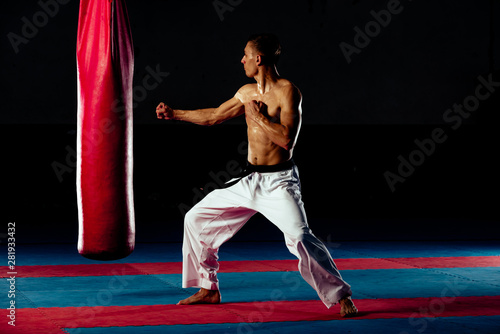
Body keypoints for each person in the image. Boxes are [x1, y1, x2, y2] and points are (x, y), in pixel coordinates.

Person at [156, 33, 358, 317]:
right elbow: (214, 115)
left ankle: (341, 296)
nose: (242, 60)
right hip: (249, 179)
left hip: (279, 182)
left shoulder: (289, 92)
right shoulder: (246, 92)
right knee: (195, 219)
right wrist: (175, 114)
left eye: (245, 55)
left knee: (300, 236)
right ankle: (208, 288)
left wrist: (259, 118)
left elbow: (287, 140)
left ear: (258, 59)